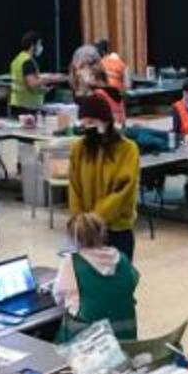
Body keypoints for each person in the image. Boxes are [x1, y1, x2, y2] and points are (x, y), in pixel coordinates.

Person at [70, 91, 140, 259]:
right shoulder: (79, 149)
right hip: (86, 232)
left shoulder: (127, 149)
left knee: (118, 283)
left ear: (106, 121)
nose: (88, 127)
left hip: (117, 230)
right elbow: (74, 187)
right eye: (84, 123)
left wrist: (96, 218)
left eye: (92, 122)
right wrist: (79, 220)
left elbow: (124, 190)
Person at [53, 212, 141, 342]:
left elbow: (59, 296)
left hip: (87, 343)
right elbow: (133, 281)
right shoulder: (121, 258)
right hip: (125, 339)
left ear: (73, 237)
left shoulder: (72, 261)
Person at [10, 31, 51, 112]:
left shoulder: (17, 59)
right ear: (32, 45)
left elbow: (23, 82)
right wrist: (49, 79)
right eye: (39, 44)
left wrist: (41, 88)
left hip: (18, 103)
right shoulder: (27, 61)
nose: (40, 47)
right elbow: (32, 84)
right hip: (28, 106)